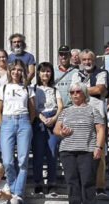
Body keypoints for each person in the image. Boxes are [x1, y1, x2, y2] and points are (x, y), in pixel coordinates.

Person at [53, 82, 105, 204]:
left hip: (87, 150)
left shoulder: (93, 110)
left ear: (84, 93)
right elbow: (56, 130)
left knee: (87, 180)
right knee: (72, 181)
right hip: (67, 151)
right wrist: (62, 132)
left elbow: (100, 130)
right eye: (72, 92)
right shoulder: (65, 111)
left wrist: (98, 147)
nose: (75, 94)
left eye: (78, 91)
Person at [0, 59, 35, 200]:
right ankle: (12, 187)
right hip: (7, 121)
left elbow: (32, 110)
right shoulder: (3, 88)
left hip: (23, 121)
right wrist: (3, 125)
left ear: (23, 72)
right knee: (7, 161)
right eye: (14, 69)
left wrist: (26, 124)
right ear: (10, 71)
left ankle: (17, 192)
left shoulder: (28, 88)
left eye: (19, 70)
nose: (16, 72)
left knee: (23, 160)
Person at [71, 49, 109, 196]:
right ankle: (84, 186)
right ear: (80, 61)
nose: (87, 62)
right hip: (80, 116)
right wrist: (86, 90)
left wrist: (82, 89)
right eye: (84, 59)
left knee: (100, 151)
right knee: (82, 151)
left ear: (94, 60)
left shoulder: (102, 73)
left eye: (90, 59)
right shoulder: (76, 74)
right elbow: (74, 92)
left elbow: (100, 88)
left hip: (98, 116)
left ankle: (100, 187)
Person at [32, 62, 63, 194]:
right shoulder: (34, 89)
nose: (46, 74)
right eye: (43, 71)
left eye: (48, 71)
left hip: (53, 118)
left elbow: (60, 106)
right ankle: (38, 182)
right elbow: (32, 107)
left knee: (52, 152)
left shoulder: (55, 89)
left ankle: (52, 183)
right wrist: (42, 117)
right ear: (38, 73)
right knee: (38, 153)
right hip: (38, 119)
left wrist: (54, 118)